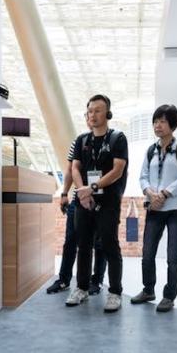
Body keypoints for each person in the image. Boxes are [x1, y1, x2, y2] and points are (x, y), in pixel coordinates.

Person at [66, 94, 128, 312]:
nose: (92, 115)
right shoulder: (82, 140)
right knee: (83, 245)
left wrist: (91, 188)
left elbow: (117, 170)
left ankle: (115, 292)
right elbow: (75, 168)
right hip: (84, 201)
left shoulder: (117, 138)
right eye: (90, 111)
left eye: (98, 110)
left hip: (108, 202)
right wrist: (82, 192)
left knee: (109, 245)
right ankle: (81, 288)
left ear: (108, 114)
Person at [131, 104, 177, 312]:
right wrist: (151, 194)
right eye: (155, 121)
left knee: (173, 256)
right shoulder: (151, 150)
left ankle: (169, 296)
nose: (158, 125)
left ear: (173, 125)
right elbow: (142, 176)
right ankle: (148, 289)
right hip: (155, 208)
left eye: (163, 121)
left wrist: (164, 194)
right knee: (147, 253)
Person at [46, 117, 106, 295]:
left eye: (96, 113)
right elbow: (70, 169)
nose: (91, 118)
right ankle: (64, 279)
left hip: (101, 200)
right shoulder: (79, 142)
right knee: (70, 240)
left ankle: (96, 280)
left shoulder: (110, 141)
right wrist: (64, 193)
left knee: (99, 243)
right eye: (88, 114)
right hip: (78, 199)